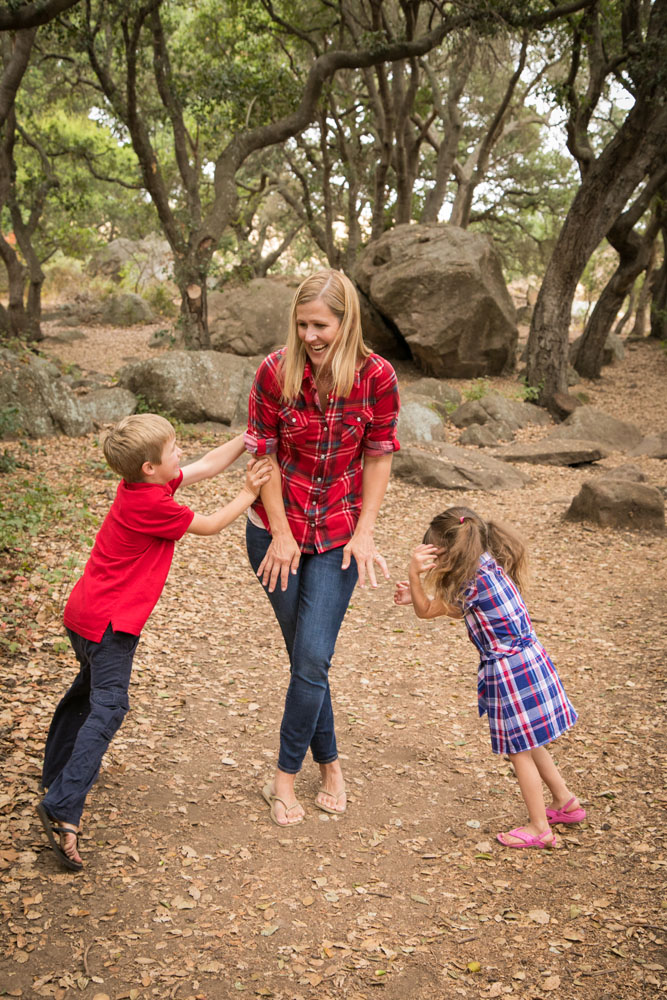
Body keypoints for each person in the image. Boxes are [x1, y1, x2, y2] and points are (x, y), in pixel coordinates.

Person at [37, 414, 271, 870]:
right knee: (109, 706)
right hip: (109, 626)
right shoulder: (153, 505)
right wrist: (248, 493)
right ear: (149, 467)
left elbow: (204, 467)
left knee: (87, 692)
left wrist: (247, 439)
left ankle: (56, 773)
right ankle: (63, 804)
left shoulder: (140, 488)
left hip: (83, 614)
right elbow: (209, 525)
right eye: (172, 449)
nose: (180, 452)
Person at [244, 269, 400, 827]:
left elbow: (379, 454)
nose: (310, 335)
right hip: (274, 532)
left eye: (322, 325)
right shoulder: (273, 370)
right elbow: (261, 456)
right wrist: (282, 534)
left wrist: (366, 530)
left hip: (339, 533)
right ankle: (330, 762)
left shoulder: (377, 375)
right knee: (307, 660)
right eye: (302, 324)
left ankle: (283, 779)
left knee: (311, 657)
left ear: (346, 321)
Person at [394, 505, 586, 849]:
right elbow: (456, 608)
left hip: (510, 672)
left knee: (519, 749)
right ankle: (565, 802)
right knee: (530, 741)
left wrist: (414, 575)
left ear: (449, 553)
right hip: (529, 661)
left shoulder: (469, 582)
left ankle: (539, 827)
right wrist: (418, 597)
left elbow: (428, 612)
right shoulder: (489, 566)